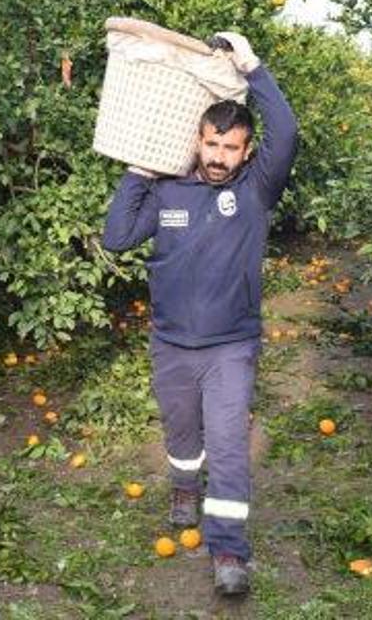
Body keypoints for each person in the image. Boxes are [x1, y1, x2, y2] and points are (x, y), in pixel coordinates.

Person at [100, 31, 299, 596]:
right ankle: (184, 486)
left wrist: (253, 67)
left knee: (229, 442)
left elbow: (286, 130)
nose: (218, 156)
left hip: (231, 346)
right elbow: (117, 237)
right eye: (212, 144)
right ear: (197, 139)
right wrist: (139, 173)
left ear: (247, 152)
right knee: (182, 430)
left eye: (230, 148)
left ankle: (229, 550)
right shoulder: (169, 190)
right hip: (170, 343)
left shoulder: (257, 190)